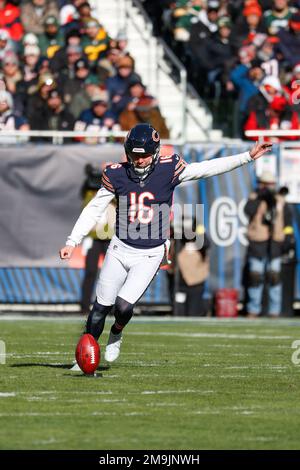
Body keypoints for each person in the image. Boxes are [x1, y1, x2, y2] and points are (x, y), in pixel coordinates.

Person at [59, 124, 272, 366]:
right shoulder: (116, 173)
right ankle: (84, 356)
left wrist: (247, 157)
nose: (139, 160)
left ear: (156, 151)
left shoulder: (168, 168)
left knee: (123, 306)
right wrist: (72, 240)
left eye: (144, 155)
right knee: (99, 308)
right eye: (135, 155)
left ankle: (117, 331)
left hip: (150, 253)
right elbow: (94, 209)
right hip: (119, 248)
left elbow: (206, 169)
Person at [244, 171, 294, 318]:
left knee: (274, 277)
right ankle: (253, 309)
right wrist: (260, 197)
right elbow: (248, 211)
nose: (268, 187)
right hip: (258, 243)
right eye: (266, 184)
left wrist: (288, 239)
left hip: (275, 243)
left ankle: (274, 311)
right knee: (255, 276)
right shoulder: (255, 197)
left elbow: (287, 222)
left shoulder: (280, 201)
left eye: (271, 184)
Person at [80, 164, 116, 315]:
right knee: (90, 272)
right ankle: (84, 305)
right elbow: (84, 190)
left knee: (113, 273)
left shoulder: (112, 193)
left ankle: (112, 306)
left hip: (108, 237)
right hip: (94, 238)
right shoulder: (88, 193)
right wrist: (91, 176)